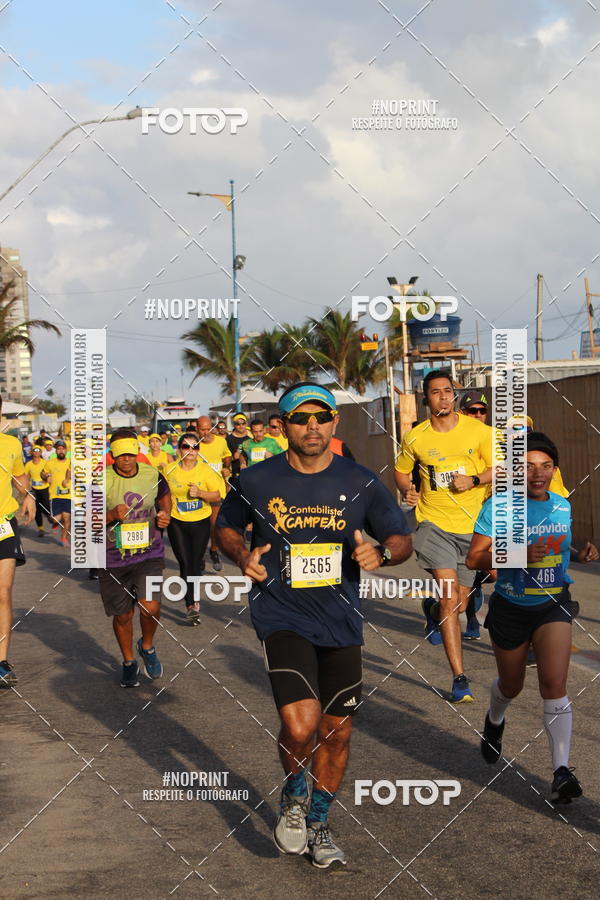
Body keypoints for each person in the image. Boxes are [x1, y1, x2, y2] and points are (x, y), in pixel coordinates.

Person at [217, 382, 412, 868]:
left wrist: (383, 553)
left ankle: (319, 821)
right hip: (281, 614)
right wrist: (242, 553)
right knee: (299, 724)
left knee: (338, 731)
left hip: (341, 620)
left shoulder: (362, 480)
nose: (312, 426)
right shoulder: (257, 479)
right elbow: (226, 525)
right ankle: (295, 795)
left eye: (321, 418)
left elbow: (400, 537)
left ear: (333, 423)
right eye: (300, 418)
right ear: (282, 426)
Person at [466, 432, 598, 802]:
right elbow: (474, 560)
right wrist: (518, 554)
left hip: (553, 604)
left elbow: (559, 547)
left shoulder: (561, 505)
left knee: (554, 685)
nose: (537, 473)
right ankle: (494, 722)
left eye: (546, 466)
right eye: (528, 466)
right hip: (510, 607)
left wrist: (580, 552)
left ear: (554, 470)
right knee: (511, 686)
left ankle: (560, 771)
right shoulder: (498, 507)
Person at [394, 370, 493, 703]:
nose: (443, 397)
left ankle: (432, 609)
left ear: (454, 395)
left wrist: (476, 479)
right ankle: (459, 678)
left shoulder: (479, 431)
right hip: (433, 525)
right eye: (436, 392)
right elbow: (401, 470)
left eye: (448, 391)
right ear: (426, 399)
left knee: (461, 604)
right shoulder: (415, 437)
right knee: (452, 599)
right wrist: (407, 489)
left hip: (472, 527)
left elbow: (503, 468)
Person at [99, 430, 171, 687]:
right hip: (112, 558)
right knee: (123, 616)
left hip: (148, 553)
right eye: (120, 455)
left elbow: (164, 494)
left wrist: (165, 513)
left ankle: (147, 646)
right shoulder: (100, 480)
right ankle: (129, 661)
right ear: (112, 455)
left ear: (137, 453)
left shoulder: (151, 474)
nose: (126, 460)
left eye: (130, 454)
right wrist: (109, 515)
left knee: (150, 607)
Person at [163, 432, 225, 625]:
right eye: (186, 446)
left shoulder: (206, 471)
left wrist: (200, 493)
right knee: (184, 562)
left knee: (195, 562)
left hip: (200, 521)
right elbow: (162, 494)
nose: (190, 451)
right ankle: (191, 605)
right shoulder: (169, 470)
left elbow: (217, 495)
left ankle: (194, 597)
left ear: (199, 450)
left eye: (195, 447)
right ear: (179, 449)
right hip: (176, 521)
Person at [0, 395, 36, 685]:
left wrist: (28, 496)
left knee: (3, 592)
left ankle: (1, 663)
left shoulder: (11, 443)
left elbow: (20, 476)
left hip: (3, 523)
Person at [458, 390, 495, 641]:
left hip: (491, 512)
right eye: (473, 410)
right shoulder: (454, 441)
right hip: (461, 515)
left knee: (494, 570)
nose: (479, 415)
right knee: (464, 575)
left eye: (483, 411)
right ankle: (471, 618)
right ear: (463, 413)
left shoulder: (494, 439)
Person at [196, 416, 232, 572]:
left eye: (208, 428)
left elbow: (227, 455)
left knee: (214, 523)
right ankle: (200, 555)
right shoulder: (194, 445)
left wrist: (227, 466)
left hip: (217, 490)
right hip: (198, 490)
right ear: (197, 429)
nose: (206, 432)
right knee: (200, 526)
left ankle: (213, 550)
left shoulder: (220, 441)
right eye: (202, 429)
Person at [42, 439, 71, 547]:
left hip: (68, 495)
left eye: (62, 448)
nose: (61, 451)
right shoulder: (50, 462)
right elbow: (43, 474)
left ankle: (63, 538)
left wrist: (67, 479)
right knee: (55, 519)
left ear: (66, 450)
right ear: (56, 451)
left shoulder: (71, 462)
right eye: (58, 449)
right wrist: (47, 476)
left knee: (66, 517)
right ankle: (54, 523)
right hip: (54, 495)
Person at [25, 446, 52, 536]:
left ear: (40, 453)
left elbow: (49, 474)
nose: (36, 453)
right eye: (34, 451)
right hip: (34, 490)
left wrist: (46, 477)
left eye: (38, 451)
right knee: (37, 510)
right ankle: (40, 529)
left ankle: (49, 516)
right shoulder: (28, 464)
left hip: (45, 488)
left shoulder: (45, 463)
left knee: (46, 506)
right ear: (32, 453)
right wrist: (27, 489)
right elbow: (25, 477)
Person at [226, 413, 249, 478]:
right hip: (235, 474)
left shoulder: (250, 438)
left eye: (243, 423)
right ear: (234, 425)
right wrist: (233, 458)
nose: (241, 426)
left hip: (249, 472)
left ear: (246, 424)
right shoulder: (229, 439)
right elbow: (224, 458)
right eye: (238, 424)